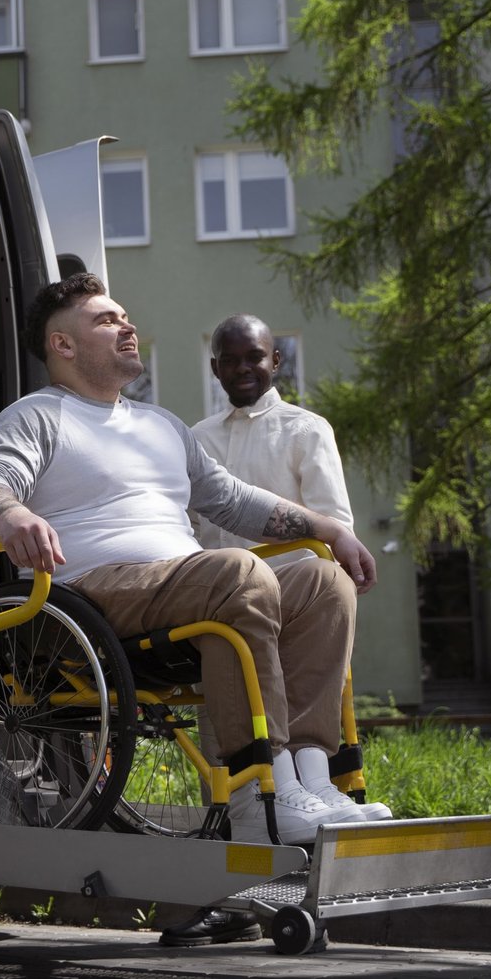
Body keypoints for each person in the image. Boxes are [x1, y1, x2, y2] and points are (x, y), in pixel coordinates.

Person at [0, 274, 378, 866]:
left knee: (322, 579)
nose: (127, 325)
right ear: (63, 346)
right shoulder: (37, 416)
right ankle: (260, 798)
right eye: (107, 320)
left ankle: (311, 782)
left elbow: (232, 499)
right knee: (236, 572)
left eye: (126, 316)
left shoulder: (162, 425)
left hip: (185, 584)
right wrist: (13, 516)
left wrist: (329, 530)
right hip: (89, 596)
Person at [191, 313, 390, 822]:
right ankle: (247, 802)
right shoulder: (195, 439)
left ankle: (316, 785)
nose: (243, 368)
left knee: (326, 587)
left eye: (254, 356)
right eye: (230, 360)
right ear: (214, 368)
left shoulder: (305, 429)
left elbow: (334, 523)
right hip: (220, 594)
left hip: (296, 594)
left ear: (275, 361)